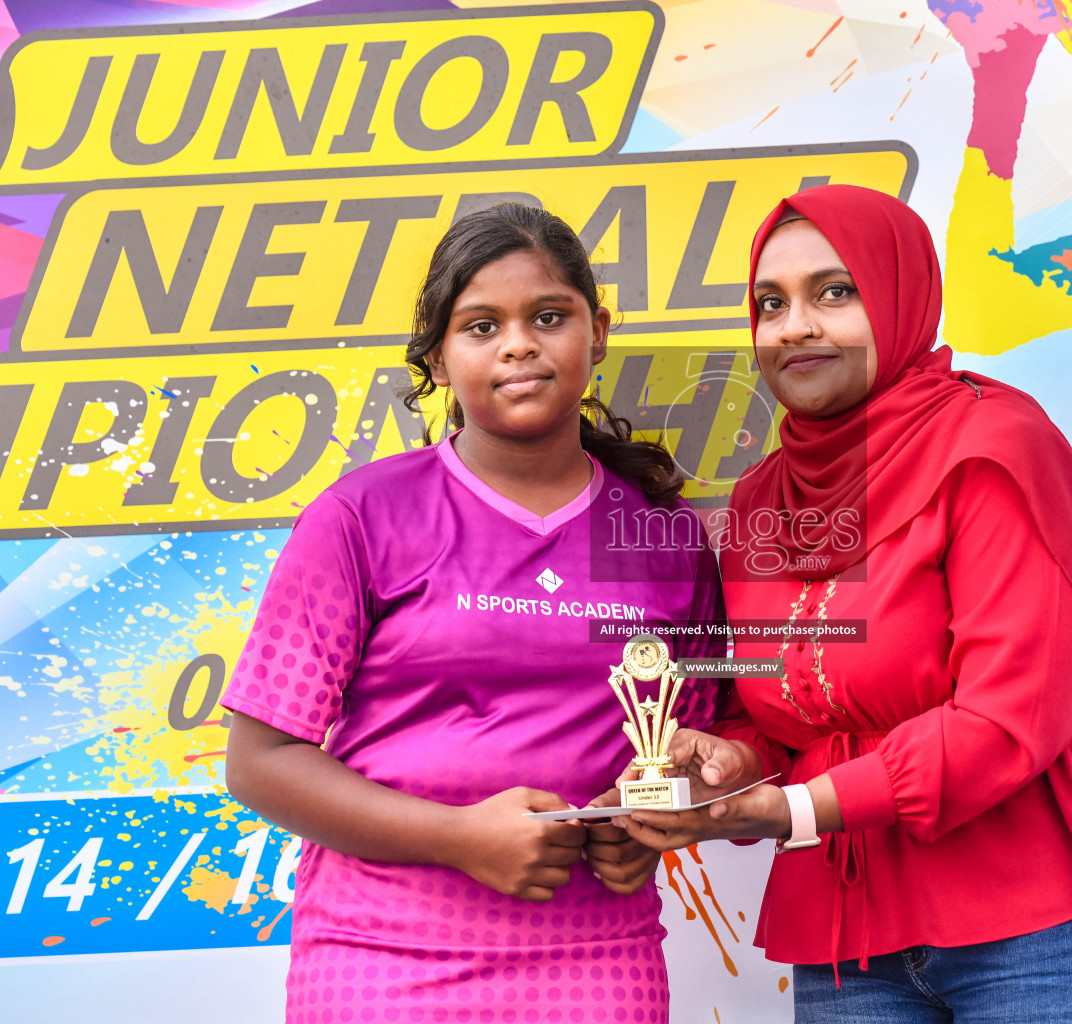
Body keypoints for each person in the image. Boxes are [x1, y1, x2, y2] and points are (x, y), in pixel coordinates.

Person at [618, 185, 1072, 1022]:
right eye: (770, 303)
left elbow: (1007, 719)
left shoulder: (989, 450)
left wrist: (795, 808)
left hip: (1041, 930)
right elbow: (775, 718)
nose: (794, 326)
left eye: (834, 293)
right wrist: (729, 767)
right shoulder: (759, 501)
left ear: (900, 296)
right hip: (849, 945)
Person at [220, 204, 725, 1024]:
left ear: (596, 333)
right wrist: (461, 838)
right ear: (438, 359)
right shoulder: (361, 517)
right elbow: (261, 762)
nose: (519, 344)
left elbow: (690, 753)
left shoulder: (663, 538)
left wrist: (653, 822)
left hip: (595, 959)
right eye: (481, 326)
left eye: (548, 317)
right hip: (380, 956)